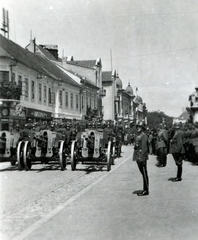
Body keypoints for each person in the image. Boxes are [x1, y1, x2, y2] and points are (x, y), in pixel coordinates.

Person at [132, 120, 149, 196]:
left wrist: (142, 158)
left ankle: (146, 190)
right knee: (142, 173)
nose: (138, 128)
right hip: (137, 155)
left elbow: (145, 148)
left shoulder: (143, 135)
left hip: (141, 156)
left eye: (140, 127)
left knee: (144, 173)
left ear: (142, 128)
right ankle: (145, 188)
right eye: (137, 127)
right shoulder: (138, 135)